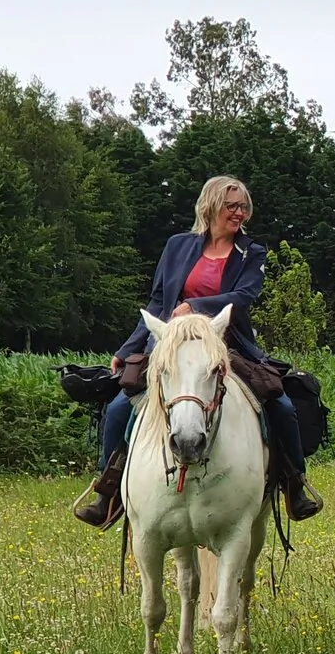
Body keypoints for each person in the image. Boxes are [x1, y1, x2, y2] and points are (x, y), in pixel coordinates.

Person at [74, 175, 322, 526]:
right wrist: (128, 348)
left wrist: (195, 306)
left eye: (244, 207)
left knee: (280, 404)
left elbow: (244, 296)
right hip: (171, 344)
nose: (239, 214)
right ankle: (108, 492)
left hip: (225, 343)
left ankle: (294, 485)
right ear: (210, 206)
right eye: (231, 206)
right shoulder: (177, 246)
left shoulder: (252, 252)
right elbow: (159, 301)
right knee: (117, 409)